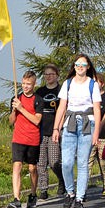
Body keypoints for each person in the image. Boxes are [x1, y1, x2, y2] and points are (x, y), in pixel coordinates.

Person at [51, 55, 102, 208]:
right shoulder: (67, 84)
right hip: (70, 123)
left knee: (82, 162)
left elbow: (97, 109)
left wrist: (96, 134)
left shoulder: (92, 84)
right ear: (74, 66)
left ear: (87, 67)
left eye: (83, 64)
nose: (80, 66)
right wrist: (56, 129)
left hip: (88, 123)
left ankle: (79, 197)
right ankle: (70, 192)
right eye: (78, 64)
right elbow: (61, 107)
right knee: (66, 163)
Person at [7, 71, 42, 208]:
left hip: (33, 138)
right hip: (18, 138)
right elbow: (11, 121)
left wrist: (22, 108)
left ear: (34, 84)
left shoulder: (38, 99)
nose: (25, 86)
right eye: (23, 84)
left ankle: (33, 194)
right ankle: (16, 198)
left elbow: (37, 120)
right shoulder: (16, 98)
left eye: (28, 84)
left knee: (32, 168)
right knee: (17, 166)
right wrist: (15, 110)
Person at [35, 63, 64, 199]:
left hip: (55, 130)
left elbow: (64, 110)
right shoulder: (40, 92)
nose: (49, 77)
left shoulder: (61, 90)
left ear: (57, 75)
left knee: (54, 162)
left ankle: (62, 179)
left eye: (51, 74)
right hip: (41, 131)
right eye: (46, 74)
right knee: (41, 163)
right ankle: (43, 189)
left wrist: (58, 128)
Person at [88, 72, 105, 197]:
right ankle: (82, 189)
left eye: (97, 82)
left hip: (104, 134)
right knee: (88, 161)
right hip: (89, 134)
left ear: (102, 83)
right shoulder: (88, 98)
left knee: (104, 162)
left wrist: (102, 124)